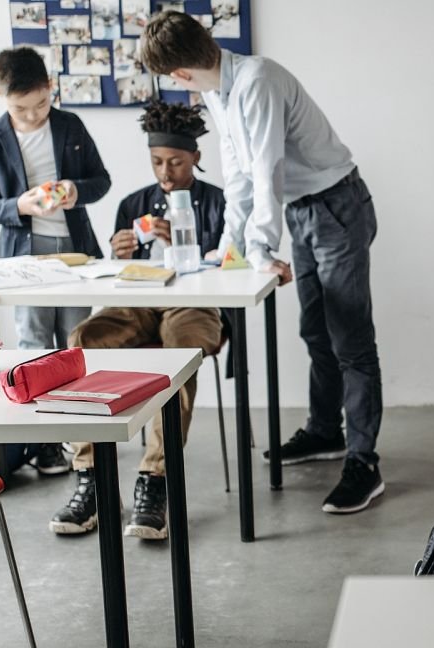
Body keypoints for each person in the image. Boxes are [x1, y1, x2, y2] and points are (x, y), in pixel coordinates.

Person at [139, 11, 385, 514]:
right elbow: (238, 177)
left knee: (350, 340)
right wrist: (231, 247)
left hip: (336, 205)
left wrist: (259, 248)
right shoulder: (217, 90)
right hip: (303, 210)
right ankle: (325, 432)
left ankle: (365, 462)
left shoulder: (257, 80)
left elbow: (266, 167)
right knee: (315, 331)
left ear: (179, 74)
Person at [50, 101, 225, 538]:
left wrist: (190, 244)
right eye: (157, 162)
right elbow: (113, 274)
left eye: (176, 162)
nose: (165, 172)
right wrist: (121, 252)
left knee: (180, 356)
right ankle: (90, 476)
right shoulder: (133, 202)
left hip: (195, 302)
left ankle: (156, 480)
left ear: (196, 158)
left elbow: (232, 263)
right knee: (83, 339)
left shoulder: (220, 202)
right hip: (139, 298)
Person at [0, 46, 110, 476]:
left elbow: (101, 180)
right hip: (23, 259)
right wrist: (20, 205)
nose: (33, 115)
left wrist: (74, 190)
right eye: (21, 107)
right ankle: (44, 443)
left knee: (74, 344)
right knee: (33, 347)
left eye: (41, 104)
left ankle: (78, 438)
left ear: (51, 88)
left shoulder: (70, 125)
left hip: (73, 254)